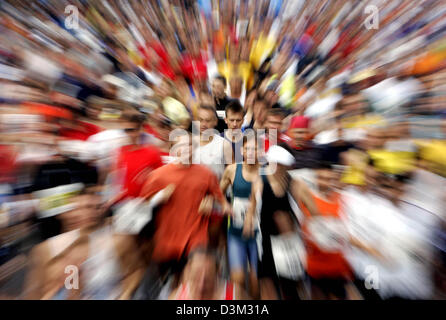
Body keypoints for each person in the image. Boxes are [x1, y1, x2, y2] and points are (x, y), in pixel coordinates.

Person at [134, 132, 232, 298]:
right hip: (166, 244)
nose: (187, 150)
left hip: (195, 243)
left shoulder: (206, 174)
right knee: (152, 291)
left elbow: (225, 207)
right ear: (173, 149)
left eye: (190, 146)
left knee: (192, 289)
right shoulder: (158, 176)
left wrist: (213, 206)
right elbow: (139, 209)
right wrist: (158, 198)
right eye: (182, 146)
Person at [24, 189, 145, 300]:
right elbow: (35, 293)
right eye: (77, 208)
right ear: (64, 214)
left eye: (93, 207)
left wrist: (126, 293)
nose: (87, 213)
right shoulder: (46, 250)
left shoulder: (120, 241)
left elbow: (135, 269)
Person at [249, 145, 319, 299]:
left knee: (292, 290)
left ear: (287, 165)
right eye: (275, 163)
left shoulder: (297, 185)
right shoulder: (259, 182)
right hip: (266, 242)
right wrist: (248, 228)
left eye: (281, 164)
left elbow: (316, 216)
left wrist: (295, 227)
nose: (277, 167)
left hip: (290, 244)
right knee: (267, 287)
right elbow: (251, 210)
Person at [298, 163, 352, 300]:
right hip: (314, 266)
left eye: (328, 178)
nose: (324, 182)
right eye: (321, 177)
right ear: (315, 178)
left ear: (334, 179)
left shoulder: (342, 200)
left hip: (337, 267)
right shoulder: (305, 198)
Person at [220, 135, 260, 298]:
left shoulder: (264, 172)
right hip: (236, 231)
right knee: (238, 278)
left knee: (256, 281)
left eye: (255, 149)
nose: (251, 152)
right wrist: (225, 205)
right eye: (247, 148)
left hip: (258, 235)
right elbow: (218, 191)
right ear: (242, 150)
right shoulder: (232, 169)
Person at [169, 249, 249, 300]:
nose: (201, 284)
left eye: (208, 277)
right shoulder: (176, 296)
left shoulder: (236, 295)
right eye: (197, 276)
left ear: (218, 273)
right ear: (188, 271)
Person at [193, 105, 233, 180]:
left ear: (215, 121)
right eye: (200, 120)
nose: (203, 124)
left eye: (207, 120)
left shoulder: (224, 144)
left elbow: (232, 173)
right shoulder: (189, 143)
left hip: (217, 189)